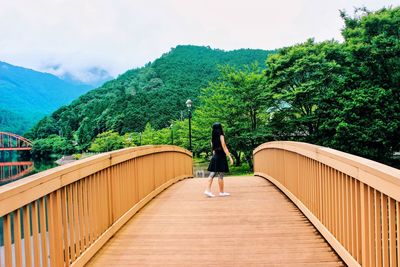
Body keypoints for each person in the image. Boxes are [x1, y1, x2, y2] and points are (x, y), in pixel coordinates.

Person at [204, 122, 234, 197]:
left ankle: (207, 190)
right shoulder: (221, 136)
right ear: (220, 128)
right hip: (221, 156)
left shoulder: (212, 138)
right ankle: (221, 192)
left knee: (212, 174)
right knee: (220, 175)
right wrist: (230, 157)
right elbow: (224, 147)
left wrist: (214, 157)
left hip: (215, 156)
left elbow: (213, 149)